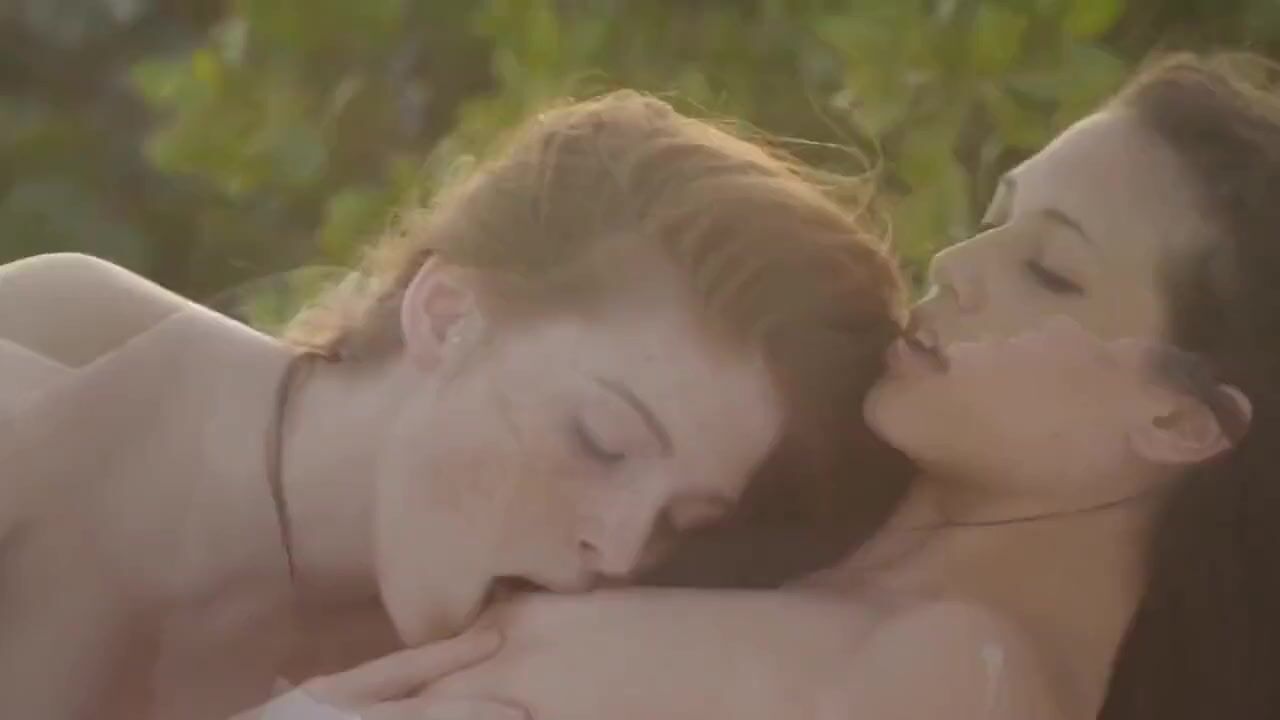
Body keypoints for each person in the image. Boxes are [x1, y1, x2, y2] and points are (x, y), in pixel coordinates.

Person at [383, 52, 1280, 720]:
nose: (958, 266)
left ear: (1178, 418)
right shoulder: (744, 500)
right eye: (993, 220)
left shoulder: (971, 685)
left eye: (1049, 271)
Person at [0, 90, 906, 720]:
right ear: (447, 313)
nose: (625, 550)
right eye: (601, 442)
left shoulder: (521, 669)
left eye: (683, 519)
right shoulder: (52, 389)